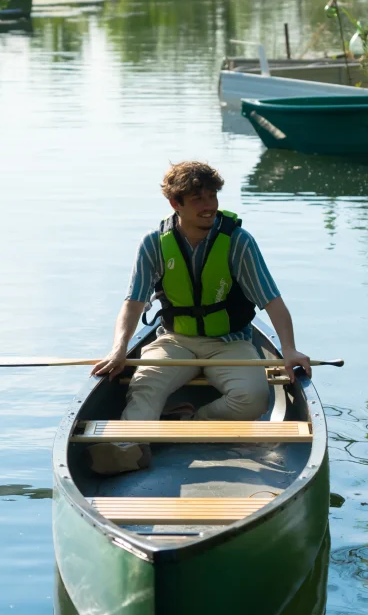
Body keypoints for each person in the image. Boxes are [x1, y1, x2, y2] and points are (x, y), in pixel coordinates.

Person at [89, 161, 311, 475]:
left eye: (212, 197)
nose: (209, 207)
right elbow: (133, 302)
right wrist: (119, 349)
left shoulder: (238, 241)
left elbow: (272, 301)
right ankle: (127, 449)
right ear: (175, 204)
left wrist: (288, 349)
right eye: (198, 200)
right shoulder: (154, 243)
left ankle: (188, 422)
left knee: (255, 399)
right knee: (145, 386)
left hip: (229, 342)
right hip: (175, 341)